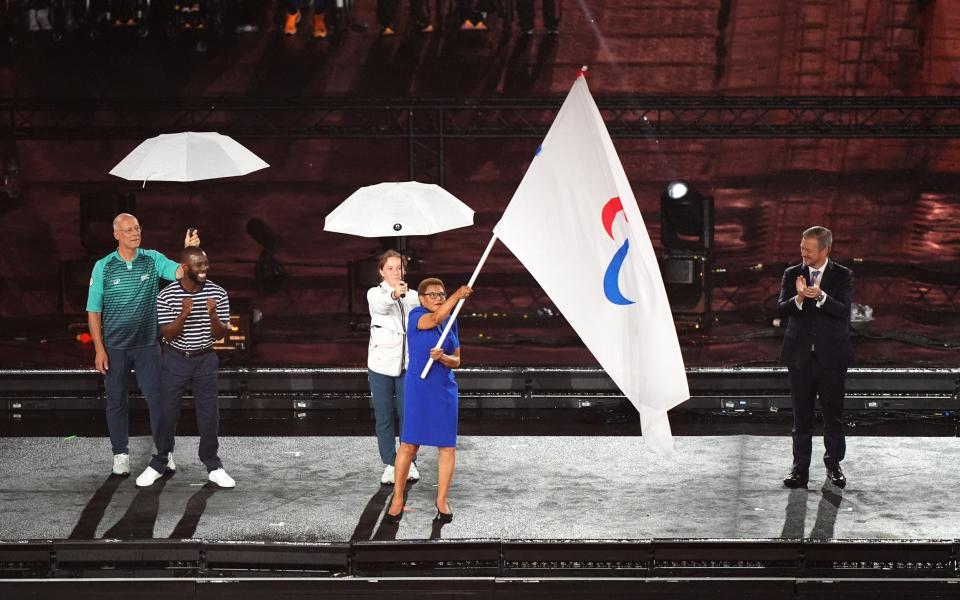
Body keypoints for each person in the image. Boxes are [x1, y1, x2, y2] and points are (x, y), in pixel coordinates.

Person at [87, 214, 199, 476]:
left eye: (137, 228)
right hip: (114, 348)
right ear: (116, 235)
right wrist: (99, 348)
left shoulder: (152, 259)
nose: (134, 233)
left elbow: (181, 273)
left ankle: (164, 452)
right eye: (127, 230)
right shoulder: (103, 266)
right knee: (116, 401)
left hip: (148, 346)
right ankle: (120, 454)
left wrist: (190, 250)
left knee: (158, 401)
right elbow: (94, 310)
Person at [135, 246, 235, 488]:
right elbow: (166, 334)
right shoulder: (167, 295)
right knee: (167, 412)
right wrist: (182, 315)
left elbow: (221, 333)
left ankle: (213, 464)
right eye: (199, 265)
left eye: (206, 264)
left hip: (205, 358)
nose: (205, 269)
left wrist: (212, 315)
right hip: (175, 358)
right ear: (186, 268)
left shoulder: (218, 293)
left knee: (209, 413)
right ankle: (160, 461)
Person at [385, 279, 472, 524]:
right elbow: (433, 320)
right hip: (419, 387)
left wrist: (444, 357)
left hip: (444, 388)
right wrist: (457, 295)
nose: (437, 298)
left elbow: (457, 360)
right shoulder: (416, 316)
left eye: (441, 294)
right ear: (421, 298)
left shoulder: (451, 320)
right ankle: (398, 498)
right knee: (409, 444)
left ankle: (442, 499)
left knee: (447, 446)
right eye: (432, 294)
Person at [777, 226, 854, 490]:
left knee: (833, 416)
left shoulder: (842, 276)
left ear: (825, 249)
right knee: (801, 419)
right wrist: (798, 298)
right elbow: (779, 309)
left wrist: (821, 296)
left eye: (808, 249)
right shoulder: (792, 274)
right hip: (800, 358)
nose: (803, 253)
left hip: (831, 359)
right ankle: (800, 471)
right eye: (801, 248)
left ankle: (834, 467)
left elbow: (844, 311)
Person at [368, 250, 422, 485]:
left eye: (398, 268)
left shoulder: (412, 296)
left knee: (408, 415)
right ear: (381, 271)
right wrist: (393, 294)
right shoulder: (374, 294)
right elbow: (381, 306)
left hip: (407, 365)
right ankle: (391, 463)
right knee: (384, 416)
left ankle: (408, 460)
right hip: (380, 364)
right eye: (389, 268)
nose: (394, 272)